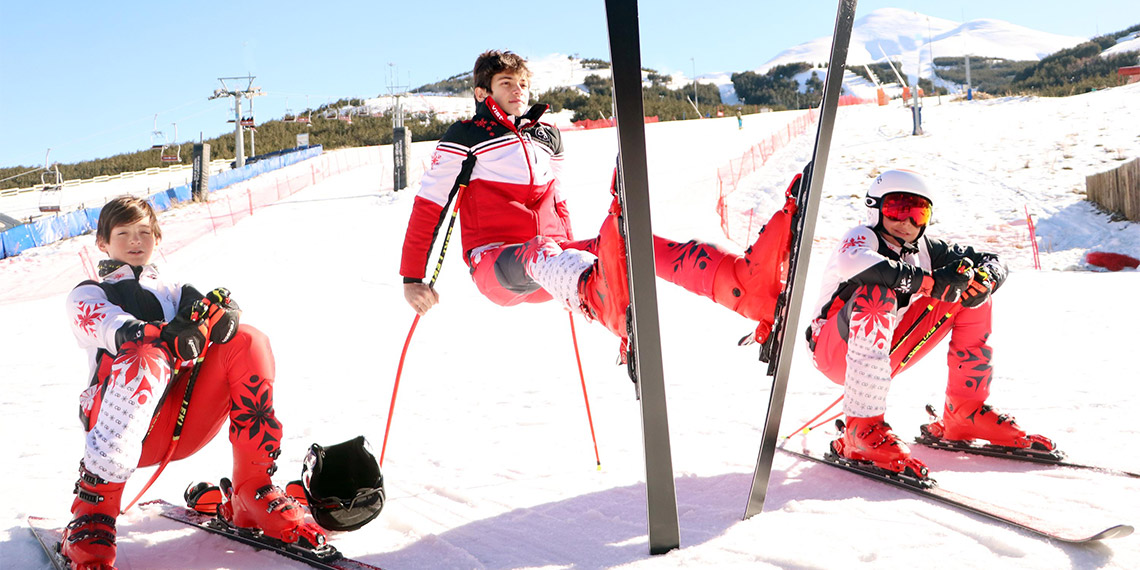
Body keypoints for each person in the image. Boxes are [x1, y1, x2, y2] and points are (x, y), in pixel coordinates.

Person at [401, 50, 797, 359]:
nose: (518, 90)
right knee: (541, 250)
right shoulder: (465, 136)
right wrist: (412, 278)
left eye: (522, 83)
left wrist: (574, 254)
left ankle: (741, 285)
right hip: (497, 264)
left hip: (554, 264)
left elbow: (557, 202)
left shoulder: (547, 136)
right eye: (506, 83)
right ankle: (606, 305)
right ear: (482, 93)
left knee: (628, 243)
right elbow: (429, 207)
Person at [62, 196, 324, 569]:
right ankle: (93, 510)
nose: (136, 241)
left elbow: (214, 320)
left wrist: (220, 316)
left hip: (184, 421)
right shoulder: (89, 294)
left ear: (157, 238)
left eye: (144, 232)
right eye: (123, 233)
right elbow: (110, 326)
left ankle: (252, 487)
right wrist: (162, 334)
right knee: (144, 354)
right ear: (102, 242)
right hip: (120, 429)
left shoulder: (176, 291)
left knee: (247, 339)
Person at [804, 169, 1056, 478]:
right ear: (875, 208)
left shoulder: (925, 249)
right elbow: (854, 263)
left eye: (918, 213)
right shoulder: (862, 237)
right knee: (876, 294)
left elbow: (991, 259)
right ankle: (861, 429)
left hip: (888, 349)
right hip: (833, 351)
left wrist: (985, 280)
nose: (907, 222)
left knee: (970, 292)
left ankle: (964, 411)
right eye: (896, 209)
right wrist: (929, 283)